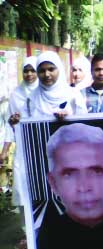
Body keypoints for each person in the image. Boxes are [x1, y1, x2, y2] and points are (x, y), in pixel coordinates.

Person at [38, 123, 103, 249]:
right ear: (53, 183)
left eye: (97, 171)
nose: (84, 187)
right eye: (69, 174)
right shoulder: (44, 238)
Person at [0, 56, 38, 206]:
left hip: (43, 146)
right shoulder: (16, 95)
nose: (29, 74)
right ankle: (27, 226)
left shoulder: (45, 93)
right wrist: (4, 152)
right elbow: (10, 127)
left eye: (33, 70)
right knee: (23, 188)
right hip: (23, 149)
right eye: (26, 71)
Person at [21, 51, 87, 119]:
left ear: (59, 69)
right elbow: (24, 125)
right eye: (42, 71)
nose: (46, 74)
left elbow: (84, 123)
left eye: (51, 69)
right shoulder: (31, 99)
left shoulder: (74, 95)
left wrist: (69, 117)